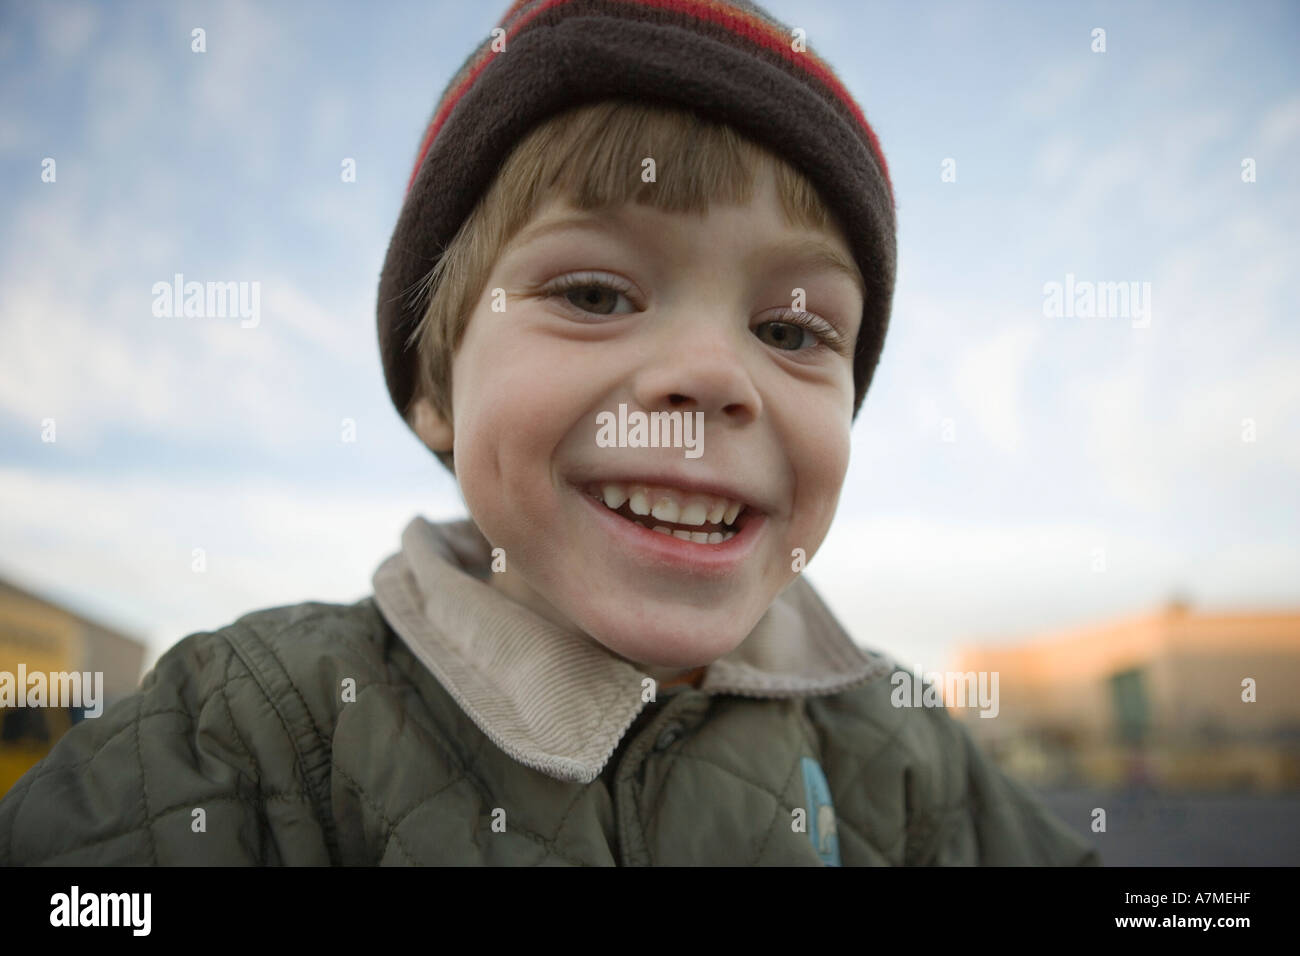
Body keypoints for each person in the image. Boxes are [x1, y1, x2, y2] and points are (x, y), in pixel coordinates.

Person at [0, 0, 1099, 866]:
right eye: (593, 293)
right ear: (435, 388)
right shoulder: (245, 733)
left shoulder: (903, 747)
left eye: (789, 327)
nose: (716, 376)